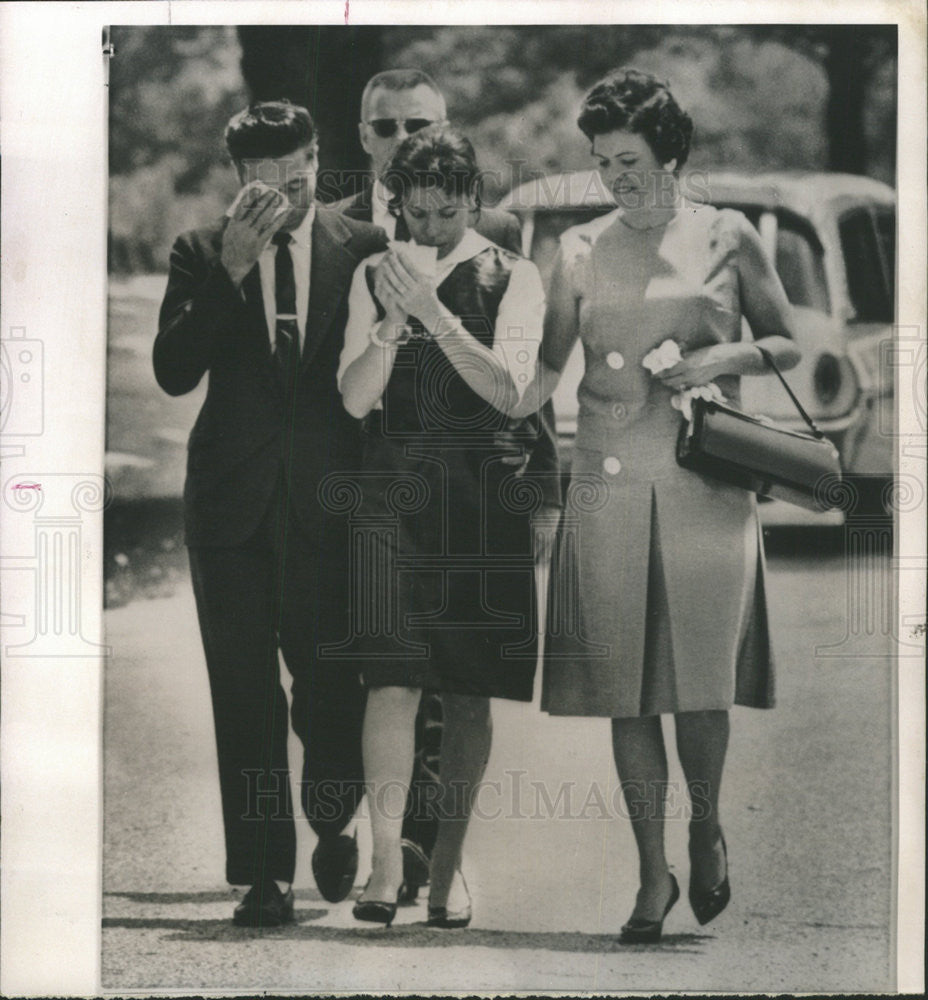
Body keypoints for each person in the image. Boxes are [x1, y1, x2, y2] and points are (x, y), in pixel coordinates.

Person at [513, 69, 801, 943]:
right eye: (603, 163)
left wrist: (718, 363)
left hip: (704, 482)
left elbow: (783, 339)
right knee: (625, 693)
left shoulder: (730, 233)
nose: (617, 178)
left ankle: (705, 828)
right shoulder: (576, 250)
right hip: (603, 486)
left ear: (672, 152)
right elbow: (538, 378)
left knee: (698, 688)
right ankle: (650, 875)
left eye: (631, 160)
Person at [330, 68, 562, 903]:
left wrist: (434, 312)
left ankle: (449, 867)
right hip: (393, 492)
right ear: (394, 202)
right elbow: (356, 397)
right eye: (412, 213)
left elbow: (509, 389)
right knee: (390, 680)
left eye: (445, 213)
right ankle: (385, 864)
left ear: (471, 199)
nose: (426, 229)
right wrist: (391, 327)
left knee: (467, 690)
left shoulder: (518, 276)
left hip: (481, 497)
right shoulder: (372, 274)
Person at [153, 101, 387, 926]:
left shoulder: (364, 248)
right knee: (243, 692)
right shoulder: (199, 252)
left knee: (330, 683)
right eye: (265, 186)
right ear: (238, 181)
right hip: (230, 508)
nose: (284, 197)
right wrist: (233, 271)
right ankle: (262, 874)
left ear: (319, 164)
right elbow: (175, 372)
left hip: (331, 503)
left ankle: (333, 814)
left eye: (298, 179)